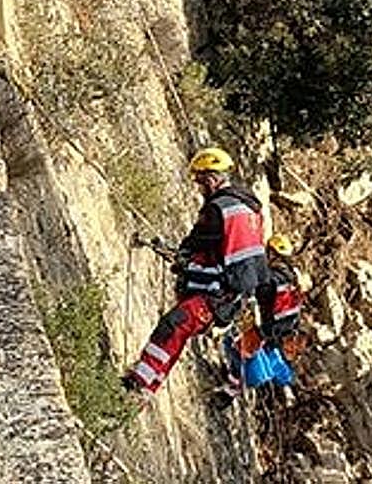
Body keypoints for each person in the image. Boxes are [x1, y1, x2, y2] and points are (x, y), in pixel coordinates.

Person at [124, 147, 268, 401]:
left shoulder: (217, 210)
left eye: (201, 182)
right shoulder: (250, 209)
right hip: (234, 297)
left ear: (212, 179)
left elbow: (196, 245)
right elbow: (230, 253)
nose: (200, 189)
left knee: (173, 325)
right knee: (177, 331)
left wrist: (182, 259)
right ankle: (146, 384)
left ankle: (139, 384)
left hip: (217, 295)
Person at [211, 233, 305, 408]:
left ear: (273, 253)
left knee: (234, 343)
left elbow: (249, 290)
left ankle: (227, 393)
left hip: (270, 330)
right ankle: (285, 387)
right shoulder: (292, 279)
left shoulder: (272, 278)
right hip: (285, 332)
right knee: (273, 357)